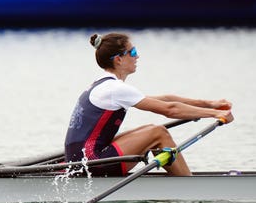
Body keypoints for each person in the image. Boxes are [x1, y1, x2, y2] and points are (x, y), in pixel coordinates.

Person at [64, 32, 234, 176]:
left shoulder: (105, 85)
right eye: (133, 52)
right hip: (92, 163)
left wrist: (209, 104)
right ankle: (188, 187)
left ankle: (182, 181)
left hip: (82, 160)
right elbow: (170, 109)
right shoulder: (115, 88)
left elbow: (164, 100)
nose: (137, 56)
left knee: (149, 129)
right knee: (158, 132)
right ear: (119, 60)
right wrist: (215, 114)